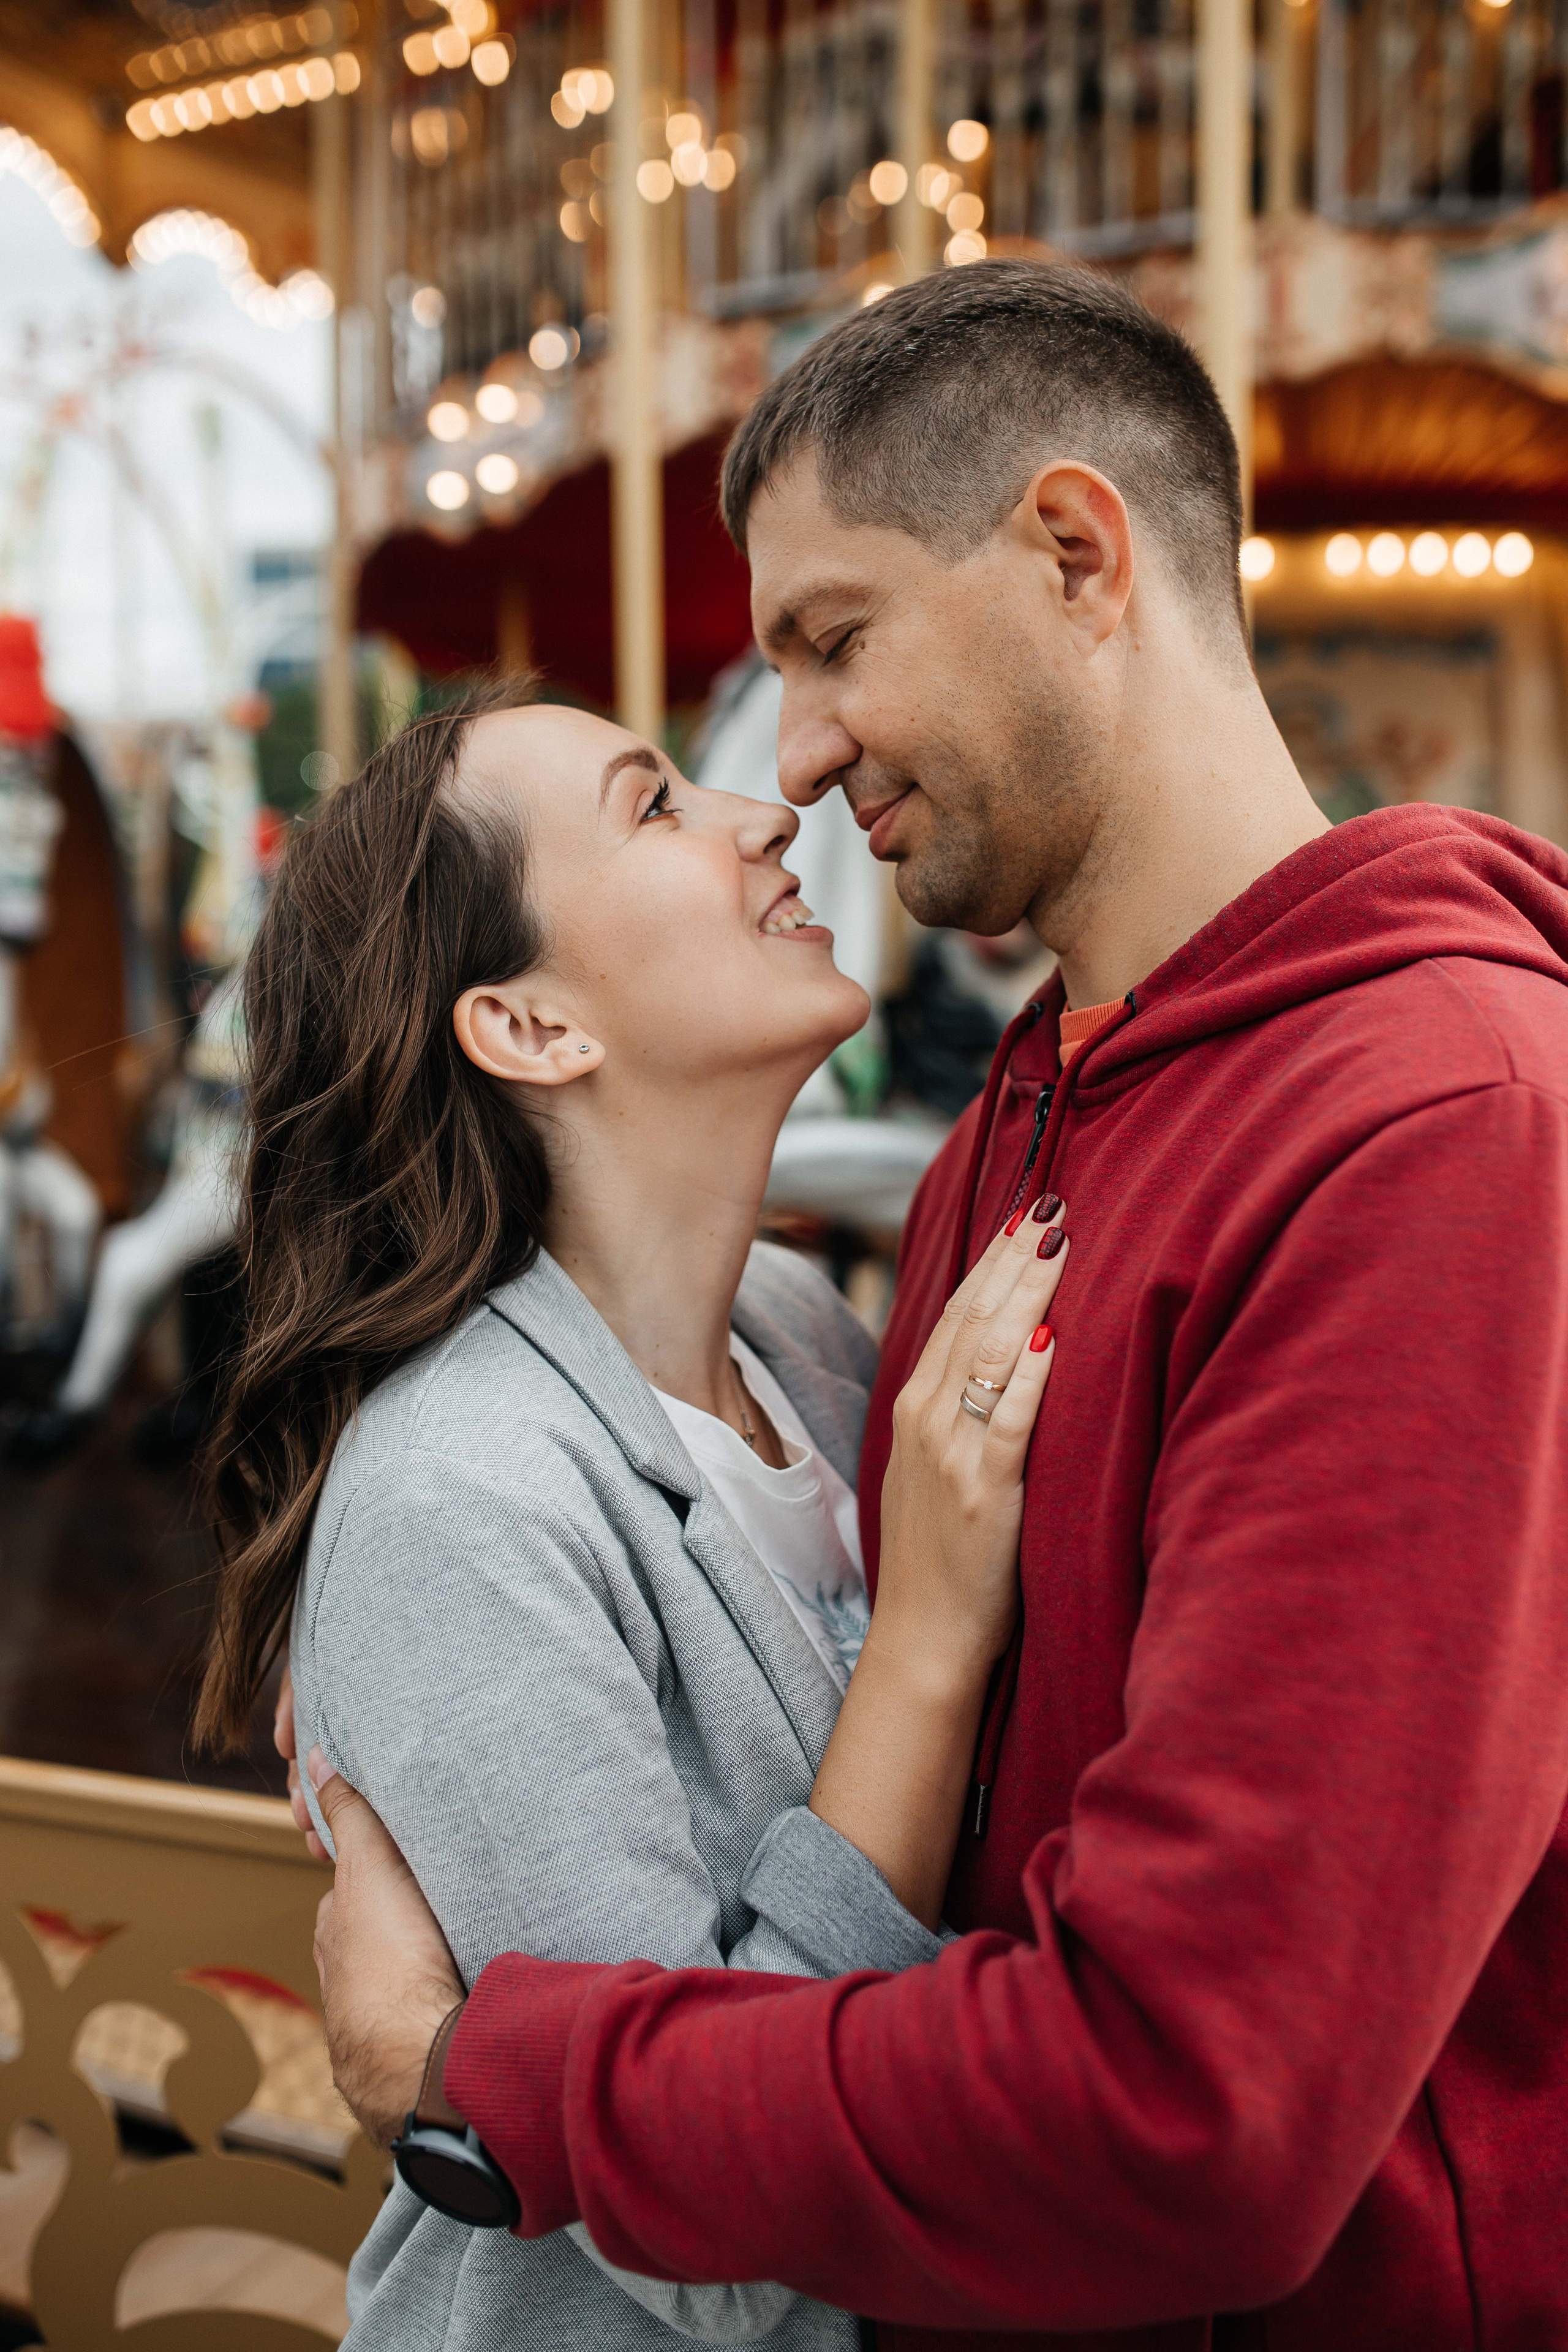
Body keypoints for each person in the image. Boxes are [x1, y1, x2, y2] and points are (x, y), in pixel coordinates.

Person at [300, 259, 1568, 2349]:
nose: (789, 756)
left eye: (833, 639)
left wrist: (487, 2067)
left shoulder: (1437, 1126)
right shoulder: (1020, 1116)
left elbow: (1196, 2106)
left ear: (1078, 553)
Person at [197, 678, 1073, 2350]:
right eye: (655, 806)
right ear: (530, 1028)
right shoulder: (460, 1490)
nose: (767, 814)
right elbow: (707, 2247)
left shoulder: (803, 1342)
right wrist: (930, 1646)